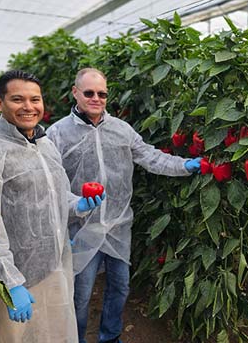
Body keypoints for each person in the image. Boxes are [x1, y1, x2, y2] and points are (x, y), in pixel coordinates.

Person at [47, 67, 202, 343]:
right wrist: (59, 230)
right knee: (81, 294)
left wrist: (184, 166)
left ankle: (110, 337)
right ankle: (77, 338)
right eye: (89, 93)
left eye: (102, 94)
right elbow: (49, 183)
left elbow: (151, 157)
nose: (96, 98)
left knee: (119, 287)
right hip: (81, 227)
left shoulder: (121, 129)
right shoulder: (58, 133)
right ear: (75, 93)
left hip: (118, 225)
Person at [0, 70, 104, 343]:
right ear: (0, 103)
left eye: (35, 99)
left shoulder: (46, 144)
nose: (28, 107)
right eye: (18, 99)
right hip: (16, 273)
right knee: (22, 337)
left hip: (55, 265)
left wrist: (80, 204)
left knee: (58, 333)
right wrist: (10, 282)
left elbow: (58, 195)